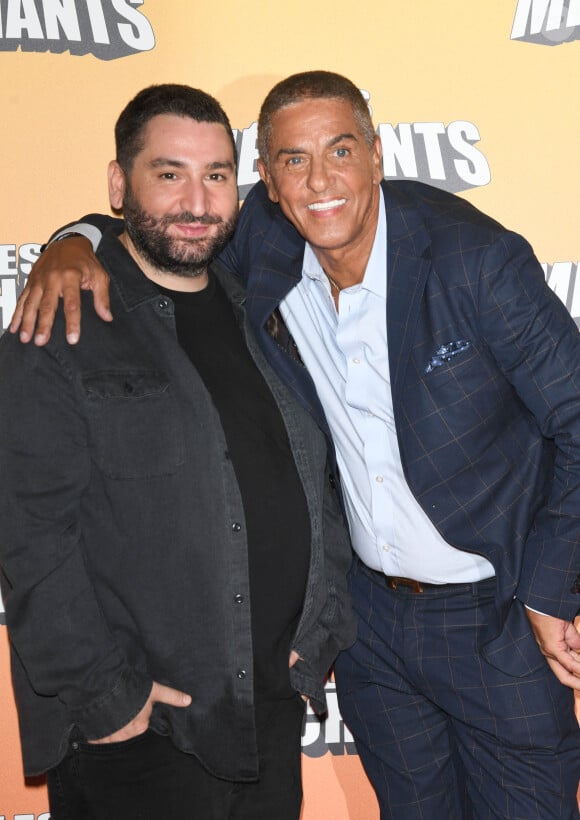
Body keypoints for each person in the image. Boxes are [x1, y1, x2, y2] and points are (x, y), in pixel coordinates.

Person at [11, 70, 580, 819]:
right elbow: (159, 219)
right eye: (292, 162)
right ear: (268, 186)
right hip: (374, 637)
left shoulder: (474, 261)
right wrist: (70, 241)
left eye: (340, 151)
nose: (320, 182)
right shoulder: (266, 247)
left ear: (377, 154)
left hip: (492, 618)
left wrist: (547, 585)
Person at [0, 82, 356, 820]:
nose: (196, 201)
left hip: (265, 711)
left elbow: (317, 479)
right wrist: (108, 700)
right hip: (140, 738)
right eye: (169, 175)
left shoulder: (259, 310)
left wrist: (315, 636)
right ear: (117, 183)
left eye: (216, 176)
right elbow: (28, 534)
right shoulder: (62, 323)